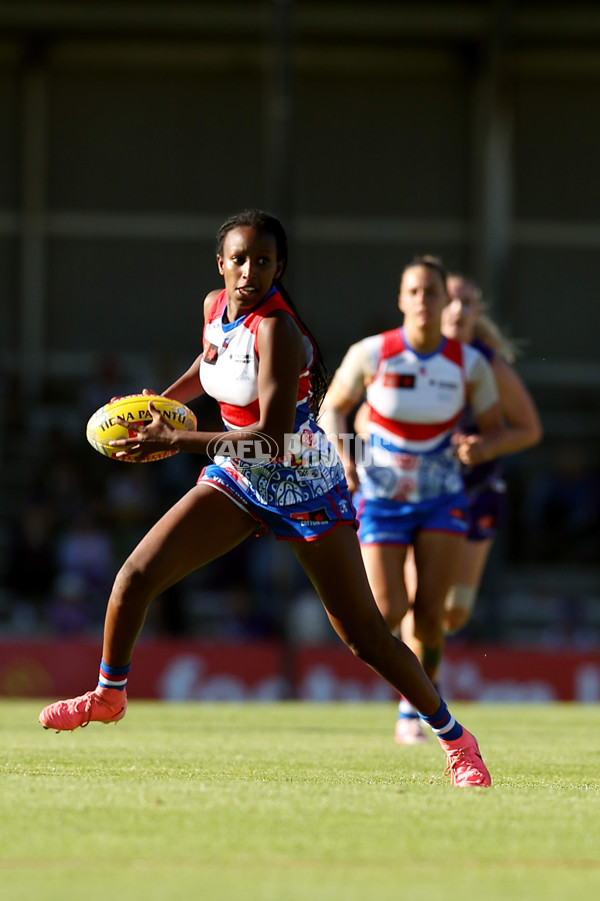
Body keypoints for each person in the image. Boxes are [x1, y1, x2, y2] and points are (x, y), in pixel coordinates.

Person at [39, 211, 491, 787]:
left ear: (280, 267)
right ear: (221, 263)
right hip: (239, 475)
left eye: (264, 261)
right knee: (134, 575)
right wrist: (158, 406)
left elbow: (274, 438)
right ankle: (109, 694)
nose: (250, 270)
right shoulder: (215, 307)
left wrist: (177, 439)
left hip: (302, 479)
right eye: (239, 259)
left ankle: (458, 743)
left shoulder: (278, 330)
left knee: (368, 639)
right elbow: (206, 370)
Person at [319, 256, 506, 744]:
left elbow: (493, 430)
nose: (424, 300)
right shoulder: (373, 353)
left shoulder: (470, 364)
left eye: (432, 292)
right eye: (415, 292)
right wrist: (346, 459)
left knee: (431, 614)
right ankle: (412, 692)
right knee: (386, 608)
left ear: (446, 301)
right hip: (381, 497)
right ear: (402, 300)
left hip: (443, 498)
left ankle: (418, 707)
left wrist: (480, 447)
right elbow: (332, 408)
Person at [436, 272, 542, 634]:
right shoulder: (403, 356)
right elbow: (366, 417)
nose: (457, 309)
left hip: (475, 490)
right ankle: (418, 688)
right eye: (449, 299)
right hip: (419, 491)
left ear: (478, 311)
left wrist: (485, 447)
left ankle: (421, 679)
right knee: (418, 600)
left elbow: (530, 430)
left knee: (454, 612)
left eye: (467, 302)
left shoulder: (489, 365)